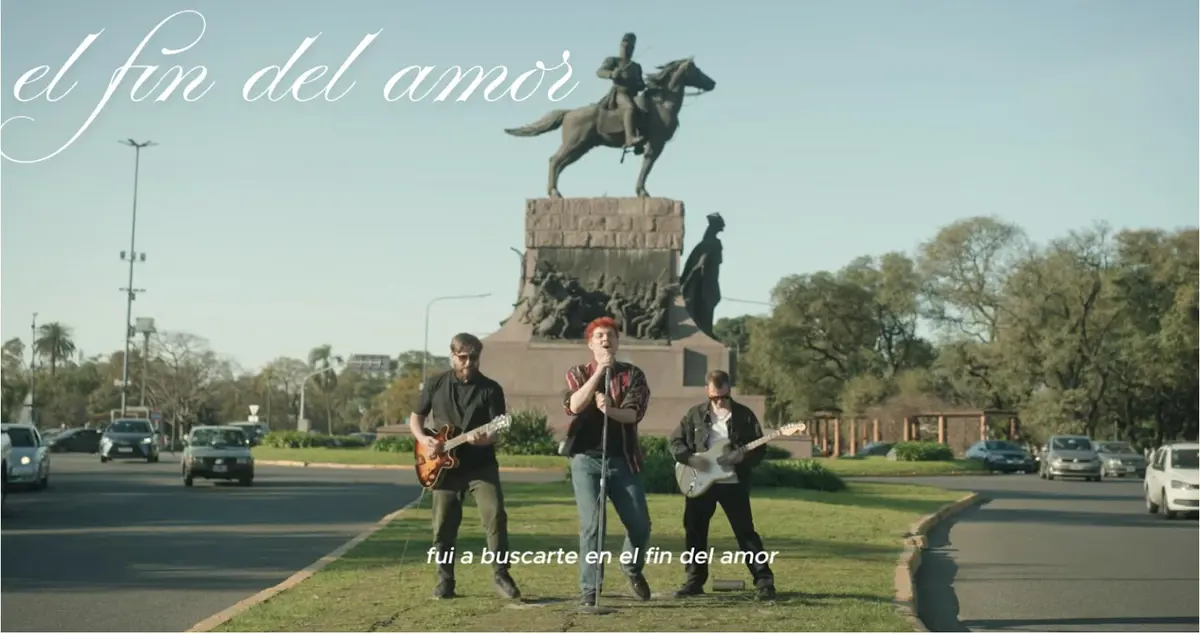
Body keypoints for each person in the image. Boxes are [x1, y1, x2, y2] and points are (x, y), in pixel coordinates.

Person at [409, 333, 521, 601]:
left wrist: (485, 439)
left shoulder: (491, 389)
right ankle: (445, 581)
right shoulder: (436, 383)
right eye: (463, 358)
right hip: (443, 468)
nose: (469, 363)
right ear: (452, 356)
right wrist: (424, 440)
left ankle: (501, 574)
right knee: (443, 524)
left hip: (481, 466)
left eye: (474, 358)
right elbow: (416, 418)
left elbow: (498, 427)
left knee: (495, 515)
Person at [560, 316, 653, 606]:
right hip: (586, 461)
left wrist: (610, 410)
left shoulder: (633, 375)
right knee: (593, 526)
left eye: (610, 335)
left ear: (617, 341)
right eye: (599, 335)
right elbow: (574, 405)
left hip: (623, 460)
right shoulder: (578, 372)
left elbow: (633, 414)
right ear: (590, 343)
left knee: (640, 526)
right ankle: (590, 590)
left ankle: (631, 566)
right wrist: (599, 373)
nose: (605, 339)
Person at [667, 369, 777, 600]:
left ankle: (764, 580)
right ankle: (694, 580)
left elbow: (760, 449)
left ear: (730, 391)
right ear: (707, 393)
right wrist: (692, 459)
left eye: (723, 397)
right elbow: (675, 442)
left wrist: (743, 457)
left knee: (745, 531)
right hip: (701, 481)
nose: (719, 402)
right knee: (695, 530)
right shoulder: (695, 414)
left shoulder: (744, 416)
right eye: (714, 397)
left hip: (733, 482)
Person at [596, 32, 647, 149]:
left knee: (645, 110)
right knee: (629, 108)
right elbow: (599, 72)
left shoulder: (636, 66)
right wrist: (611, 74)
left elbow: (640, 83)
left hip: (634, 95)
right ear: (622, 45)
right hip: (620, 94)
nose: (629, 49)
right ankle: (629, 138)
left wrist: (642, 85)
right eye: (627, 45)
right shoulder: (613, 61)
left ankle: (641, 142)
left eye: (632, 47)